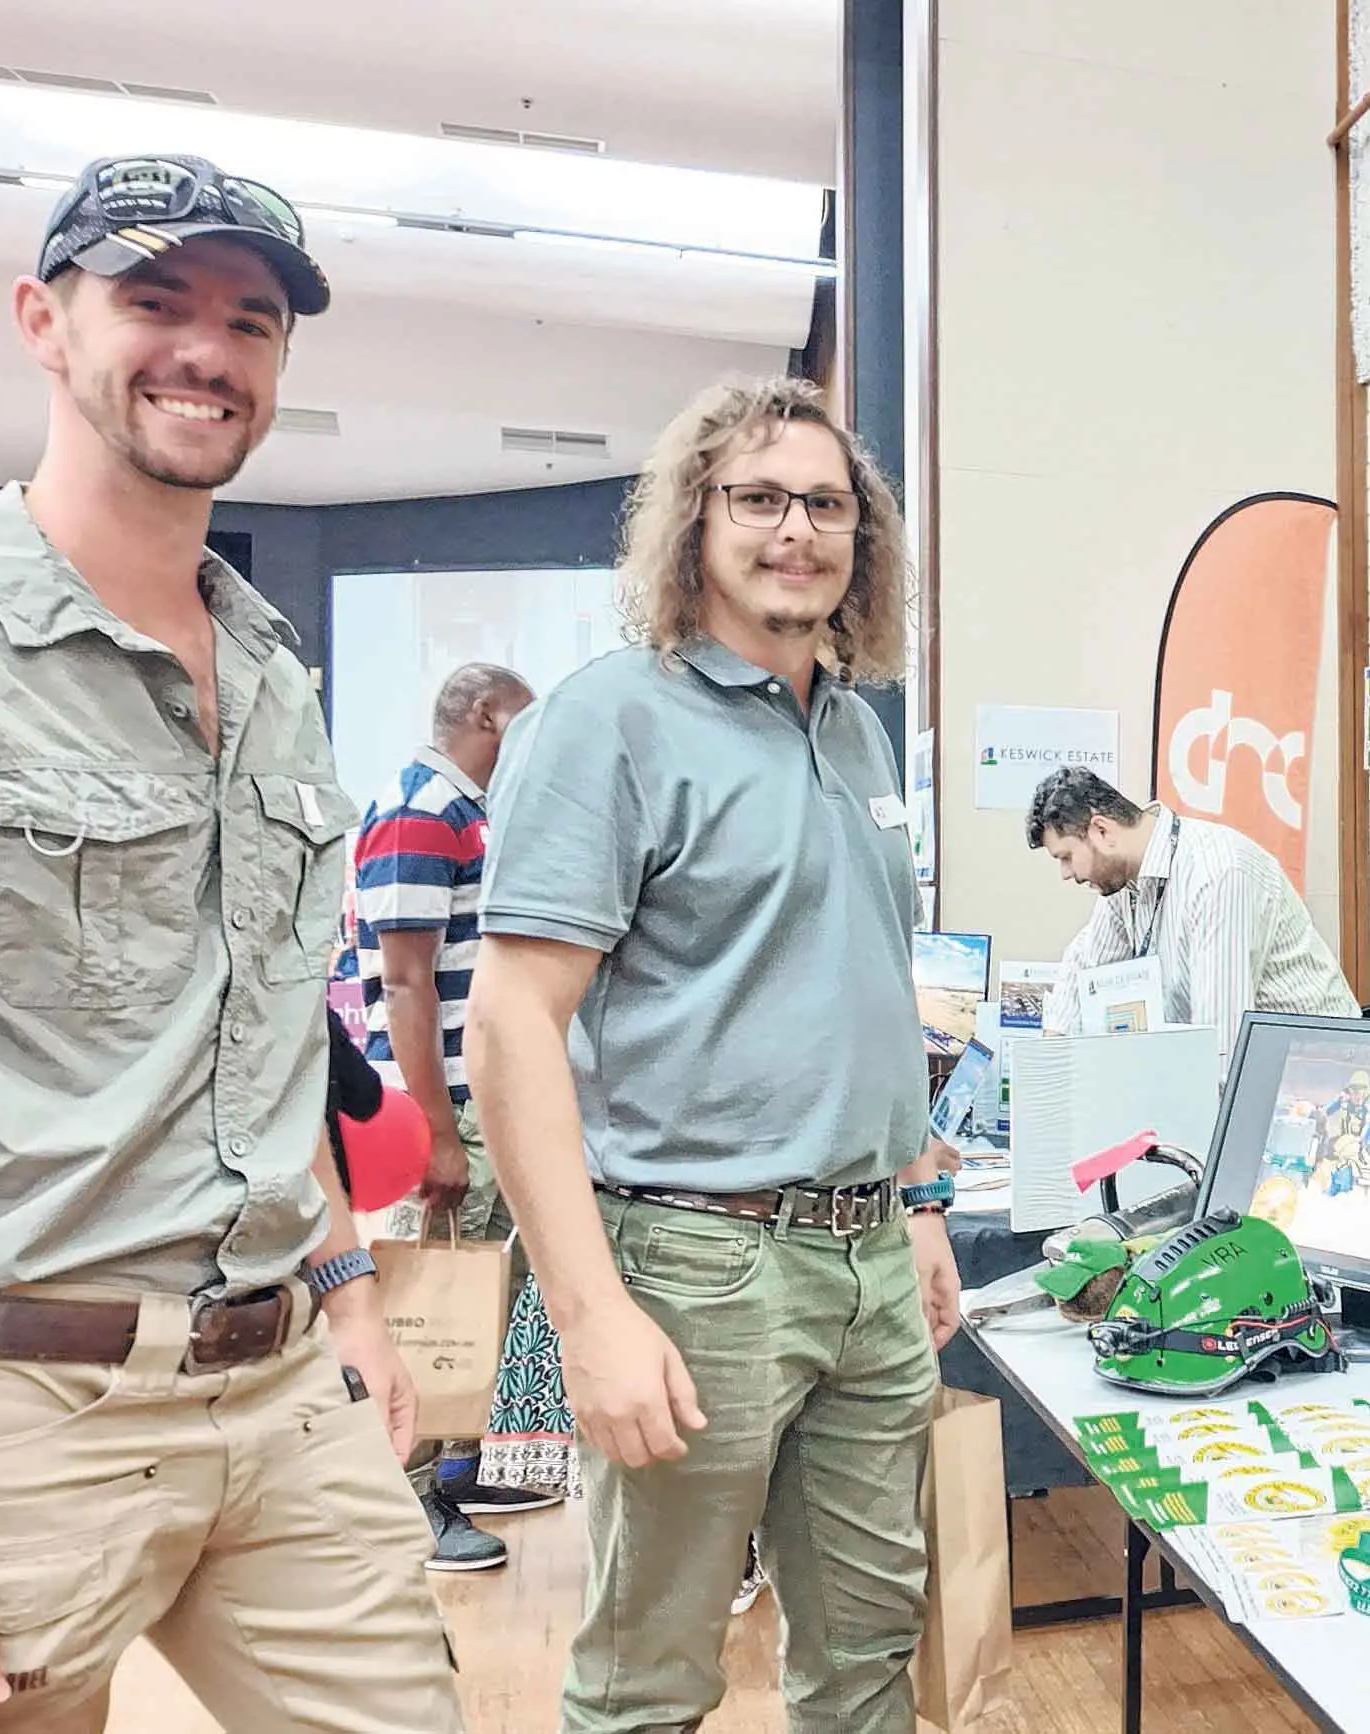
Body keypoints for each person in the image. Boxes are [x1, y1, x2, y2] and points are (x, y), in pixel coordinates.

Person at [0, 155, 460, 1732]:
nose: (205, 349)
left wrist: (349, 1280)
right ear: (40, 319)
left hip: (282, 1378)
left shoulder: (276, 675)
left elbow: (275, 1030)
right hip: (9, 1404)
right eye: (154, 300)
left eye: (251, 319)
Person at [463, 375, 960, 1734]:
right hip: (695, 1262)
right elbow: (510, 1029)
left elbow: (859, 980)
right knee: (649, 1676)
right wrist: (589, 1315)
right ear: (695, 523)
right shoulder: (609, 717)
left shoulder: (859, 728)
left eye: (824, 503)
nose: (794, 528)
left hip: (866, 1260)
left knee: (868, 1657)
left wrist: (914, 1199)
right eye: (757, 498)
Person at [339, 660, 547, 1571]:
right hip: (441, 1105)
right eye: (527, 723)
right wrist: (433, 1127)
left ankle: (452, 1469)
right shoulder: (423, 806)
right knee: (420, 1305)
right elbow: (403, 978)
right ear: (488, 714)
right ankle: (406, 1505)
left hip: (478, 1099)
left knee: (474, 1295)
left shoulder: (467, 812)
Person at [1026, 766, 1359, 1064]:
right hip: (1248, 1067)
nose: (1066, 874)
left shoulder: (1218, 874)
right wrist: (1051, 1056)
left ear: (1102, 831)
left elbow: (1221, 1047)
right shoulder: (1122, 881)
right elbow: (1084, 965)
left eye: (1066, 857)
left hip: (1314, 1070)